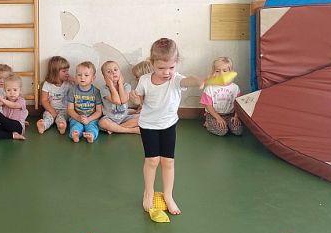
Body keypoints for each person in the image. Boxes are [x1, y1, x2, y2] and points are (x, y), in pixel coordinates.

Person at [131, 38, 205, 215]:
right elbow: (139, 99)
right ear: (152, 64)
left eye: (171, 67)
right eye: (161, 68)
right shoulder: (144, 80)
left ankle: (168, 196)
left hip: (168, 125)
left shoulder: (176, 79)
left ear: (176, 63)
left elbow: (187, 81)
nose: (166, 72)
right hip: (148, 125)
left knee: (168, 161)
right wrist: (136, 100)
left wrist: (198, 80)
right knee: (152, 161)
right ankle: (148, 192)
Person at [201, 57, 243, 136]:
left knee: (238, 131)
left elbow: (239, 104)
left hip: (229, 115)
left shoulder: (235, 88)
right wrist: (218, 118)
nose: (221, 73)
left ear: (230, 72)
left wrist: (236, 117)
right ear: (213, 73)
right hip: (213, 115)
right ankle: (208, 124)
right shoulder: (209, 88)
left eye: (225, 70)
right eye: (217, 71)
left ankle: (226, 124)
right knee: (222, 131)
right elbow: (208, 106)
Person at [98, 60, 140, 135]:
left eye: (115, 70)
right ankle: (130, 130)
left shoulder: (126, 86)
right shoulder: (104, 89)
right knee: (102, 122)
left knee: (142, 118)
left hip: (124, 118)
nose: (113, 72)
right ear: (105, 78)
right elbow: (117, 101)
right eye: (109, 72)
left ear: (120, 73)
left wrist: (120, 84)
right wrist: (111, 85)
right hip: (110, 119)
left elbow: (123, 100)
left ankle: (115, 129)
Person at [66, 61, 103, 143]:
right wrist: (77, 117)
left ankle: (91, 135)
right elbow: (70, 109)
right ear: (76, 76)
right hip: (77, 116)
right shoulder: (72, 91)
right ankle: (75, 134)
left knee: (92, 126)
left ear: (93, 78)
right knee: (75, 126)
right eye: (79, 75)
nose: (82, 77)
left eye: (86, 75)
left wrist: (89, 119)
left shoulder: (96, 92)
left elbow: (99, 111)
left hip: (91, 118)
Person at [0, 74, 27, 140]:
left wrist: (1, 100)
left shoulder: (21, 101)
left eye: (15, 90)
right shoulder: (5, 99)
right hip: (6, 125)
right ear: (5, 91)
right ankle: (13, 135)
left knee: (0, 117)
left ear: (20, 90)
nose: (12, 93)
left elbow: (13, 105)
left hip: (17, 127)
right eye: (8, 90)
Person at [36, 56, 72, 134]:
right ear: (55, 72)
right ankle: (43, 125)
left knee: (62, 117)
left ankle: (61, 126)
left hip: (64, 110)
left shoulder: (68, 83)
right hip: (50, 108)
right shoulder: (47, 84)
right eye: (64, 71)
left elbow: (80, 86)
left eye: (67, 71)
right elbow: (44, 100)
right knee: (48, 116)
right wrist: (52, 111)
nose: (67, 73)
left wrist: (73, 79)